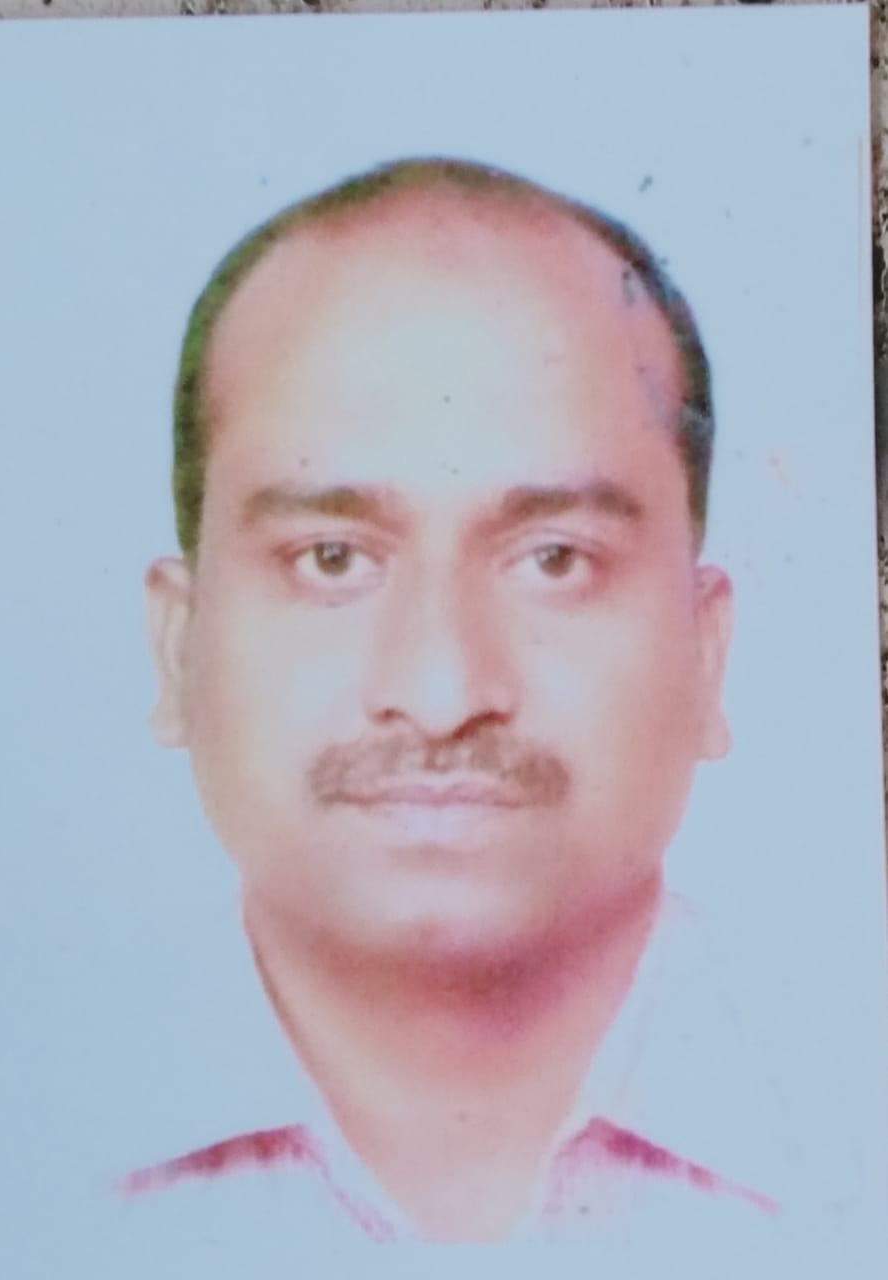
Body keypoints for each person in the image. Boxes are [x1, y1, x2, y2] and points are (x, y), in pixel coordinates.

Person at [128, 157, 791, 1249]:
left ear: (706, 652)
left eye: (554, 560)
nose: (440, 695)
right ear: (175, 649)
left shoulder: (846, 1134)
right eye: (332, 558)